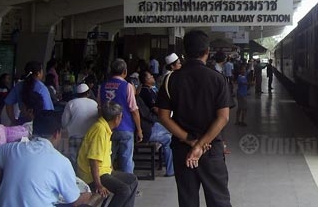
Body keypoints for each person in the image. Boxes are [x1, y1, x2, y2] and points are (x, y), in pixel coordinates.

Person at [157, 29, 232, 207]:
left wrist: (191, 142)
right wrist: (200, 145)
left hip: (182, 149)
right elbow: (223, 118)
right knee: (219, 200)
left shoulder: (170, 80)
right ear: (207, 52)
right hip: (211, 149)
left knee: (187, 200)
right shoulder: (218, 79)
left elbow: (163, 117)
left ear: (184, 53)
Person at [0, 110, 92, 207]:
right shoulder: (61, 161)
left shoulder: (11, 149)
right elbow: (74, 202)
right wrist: (86, 195)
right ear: (57, 134)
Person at [77, 101, 138, 207]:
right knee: (124, 190)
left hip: (104, 171)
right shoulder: (99, 130)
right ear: (117, 118)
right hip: (92, 175)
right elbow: (93, 161)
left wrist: (112, 172)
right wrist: (98, 185)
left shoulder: (105, 128)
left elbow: (105, 157)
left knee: (132, 180)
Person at [98, 58, 143, 173]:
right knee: (126, 161)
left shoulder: (102, 86)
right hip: (125, 128)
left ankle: (108, 186)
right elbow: (134, 110)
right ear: (125, 72)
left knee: (107, 160)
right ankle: (130, 188)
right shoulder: (127, 86)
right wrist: (139, 129)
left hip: (107, 129)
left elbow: (99, 108)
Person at [135, 81, 174, 177]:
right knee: (170, 134)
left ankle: (170, 168)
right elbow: (146, 115)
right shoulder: (135, 99)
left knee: (170, 134)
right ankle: (170, 170)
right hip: (147, 129)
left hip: (150, 126)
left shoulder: (136, 98)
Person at [62, 83, 99, 171]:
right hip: (90, 138)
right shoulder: (94, 103)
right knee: (87, 162)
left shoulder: (71, 103)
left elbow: (64, 122)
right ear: (88, 93)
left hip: (74, 138)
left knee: (74, 162)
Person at [4, 61, 54, 126]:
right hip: (38, 124)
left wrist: (13, 120)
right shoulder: (42, 88)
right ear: (38, 73)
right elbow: (48, 110)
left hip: (22, 122)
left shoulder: (19, 85)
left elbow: (8, 103)